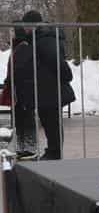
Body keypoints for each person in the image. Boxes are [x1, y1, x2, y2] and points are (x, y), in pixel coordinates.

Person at [10, 11, 75, 160]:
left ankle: (54, 152)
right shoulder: (38, 38)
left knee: (52, 123)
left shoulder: (44, 39)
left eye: (26, 25)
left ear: (33, 25)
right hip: (46, 89)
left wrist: (67, 76)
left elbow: (57, 61)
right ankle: (53, 151)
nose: (24, 28)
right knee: (48, 121)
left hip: (51, 89)